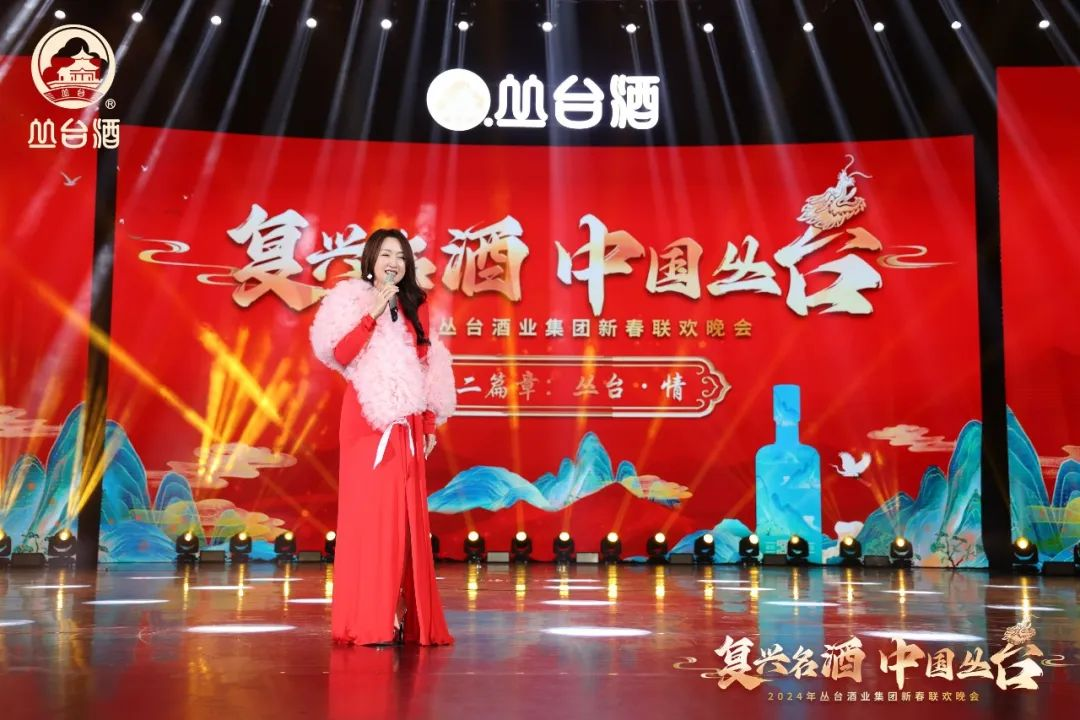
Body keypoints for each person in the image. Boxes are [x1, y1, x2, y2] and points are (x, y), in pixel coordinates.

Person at [310, 228, 456, 646]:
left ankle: (401, 608)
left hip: (405, 423)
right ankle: (371, 616)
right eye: (386, 254)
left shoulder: (416, 306)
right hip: (367, 421)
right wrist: (372, 313)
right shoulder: (350, 300)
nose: (394, 262)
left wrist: (428, 424)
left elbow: (426, 367)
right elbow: (341, 354)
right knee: (371, 518)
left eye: (401, 256)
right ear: (371, 260)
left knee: (404, 520)